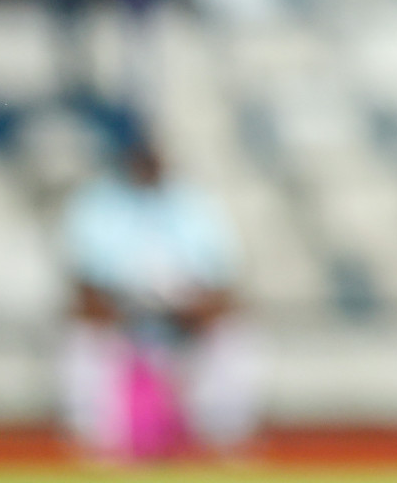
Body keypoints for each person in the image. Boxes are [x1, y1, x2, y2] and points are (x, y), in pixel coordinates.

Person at [60, 119, 259, 460]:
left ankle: (224, 442)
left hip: (183, 318)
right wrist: (123, 314)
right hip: (121, 317)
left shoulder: (194, 204)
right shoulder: (98, 203)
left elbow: (224, 282)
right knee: (84, 341)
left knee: (236, 339)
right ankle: (97, 446)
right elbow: (83, 288)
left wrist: (197, 311)